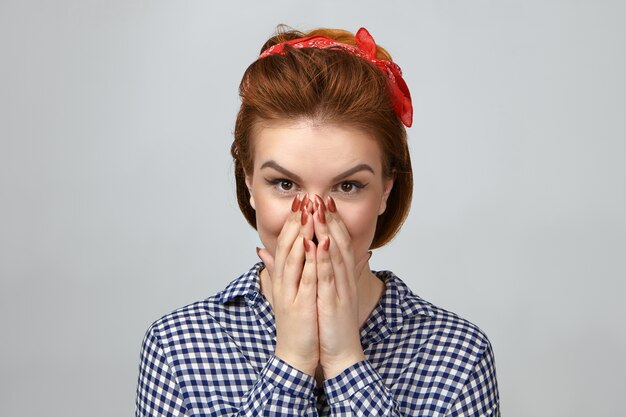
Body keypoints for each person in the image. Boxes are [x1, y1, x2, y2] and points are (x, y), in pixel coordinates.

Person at [135, 26, 500, 417]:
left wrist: (346, 360)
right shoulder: (177, 349)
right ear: (249, 181)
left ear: (386, 190)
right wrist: (292, 360)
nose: (313, 220)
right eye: (285, 183)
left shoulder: (460, 355)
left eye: (347, 186)